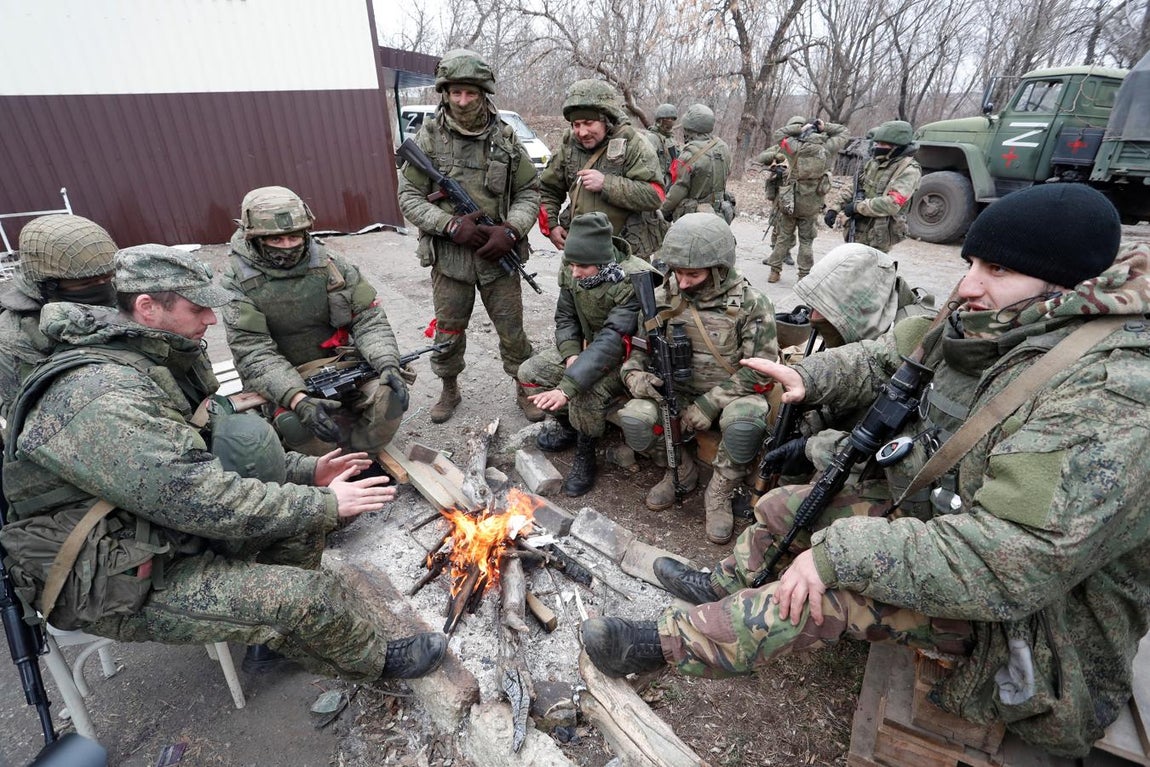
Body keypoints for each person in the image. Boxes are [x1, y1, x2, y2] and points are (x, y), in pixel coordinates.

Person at [582, 184, 1150, 760]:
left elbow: (1007, 560)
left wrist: (839, 555)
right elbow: (892, 355)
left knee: (828, 594)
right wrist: (815, 377)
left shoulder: (1107, 397)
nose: (969, 284)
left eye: (997, 269)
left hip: (1037, 627)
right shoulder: (1001, 322)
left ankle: (667, 645)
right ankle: (729, 583)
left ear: (1069, 282)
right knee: (786, 506)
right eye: (972, 263)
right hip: (945, 519)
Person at [0, 244, 446, 684]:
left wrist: (309, 473)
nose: (211, 320)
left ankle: (269, 640)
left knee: (302, 523)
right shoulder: (103, 395)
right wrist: (326, 503)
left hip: (150, 528)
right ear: (147, 307)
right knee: (307, 594)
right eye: (198, 309)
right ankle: (375, 662)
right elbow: (201, 498)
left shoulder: (153, 359)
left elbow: (212, 446)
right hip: (104, 575)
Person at [397, 49, 543, 425]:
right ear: (444, 92)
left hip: (498, 258)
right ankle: (449, 388)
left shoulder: (506, 139)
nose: (463, 101)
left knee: (513, 332)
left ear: (484, 94)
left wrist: (512, 229)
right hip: (451, 260)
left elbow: (529, 190)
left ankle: (525, 388)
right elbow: (408, 196)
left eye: (471, 94)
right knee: (448, 331)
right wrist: (448, 225)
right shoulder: (428, 139)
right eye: (456, 93)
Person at [617, 213, 779, 544]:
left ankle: (718, 492)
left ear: (719, 270)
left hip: (732, 394)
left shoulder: (751, 303)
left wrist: (710, 403)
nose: (683, 281)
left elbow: (761, 369)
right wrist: (635, 378)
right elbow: (636, 353)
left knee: (747, 423)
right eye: (677, 271)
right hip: (676, 392)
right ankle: (680, 470)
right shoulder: (660, 298)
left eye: (693, 273)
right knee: (635, 418)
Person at [221, 186, 408, 458]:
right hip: (287, 376)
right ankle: (321, 460)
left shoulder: (331, 265)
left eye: (294, 237)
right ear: (255, 238)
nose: (287, 246)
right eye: (276, 240)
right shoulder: (237, 282)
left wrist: (387, 363)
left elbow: (368, 318)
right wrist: (297, 398)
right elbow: (253, 352)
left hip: (342, 364)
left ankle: (363, 452)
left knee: (391, 394)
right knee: (296, 425)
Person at [518, 212, 660, 497]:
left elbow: (613, 340)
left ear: (603, 262)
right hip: (587, 351)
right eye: (571, 264)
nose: (574, 272)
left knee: (585, 392)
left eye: (582, 266)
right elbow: (566, 318)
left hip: (625, 358)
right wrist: (572, 355)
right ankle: (568, 426)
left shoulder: (633, 279)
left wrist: (569, 384)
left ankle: (586, 449)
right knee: (529, 373)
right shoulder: (573, 266)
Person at [0, 215, 117, 427]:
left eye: (108, 277)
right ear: (47, 284)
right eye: (88, 283)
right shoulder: (14, 337)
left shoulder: (117, 293)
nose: (103, 287)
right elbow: (31, 416)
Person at [539, 79, 666, 261]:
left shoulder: (633, 144)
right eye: (576, 125)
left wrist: (606, 184)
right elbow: (547, 189)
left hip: (626, 256)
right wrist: (551, 226)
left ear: (606, 119)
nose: (582, 132)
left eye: (588, 122)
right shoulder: (569, 146)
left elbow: (656, 195)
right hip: (579, 256)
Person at [757, 116, 849, 282]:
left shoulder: (793, 147)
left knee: (783, 237)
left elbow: (779, 135)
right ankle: (803, 275)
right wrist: (824, 126)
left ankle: (774, 272)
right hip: (813, 202)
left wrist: (799, 129)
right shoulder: (827, 148)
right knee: (807, 241)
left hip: (790, 199)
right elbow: (844, 132)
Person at [824, 120, 921, 253]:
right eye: (877, 143)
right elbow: (855, 186)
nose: (877, 146)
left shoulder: (909, 170)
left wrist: (857, 207)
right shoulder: (874, 163)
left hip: (879, 234)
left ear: (896, 146)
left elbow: (892, 203)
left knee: (869, 270)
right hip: (858, 227)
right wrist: (834, 208)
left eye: (882, 144)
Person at [660, 105, 734, 224]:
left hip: (694, 220)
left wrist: (662, 211)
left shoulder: (689, 154)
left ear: (689, 128)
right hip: (719, 215)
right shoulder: (723, 148)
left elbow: (679, 190)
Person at [644, 103, 679, 189]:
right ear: (659, 121)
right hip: (656, 185)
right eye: (667, 119)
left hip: (670, 184)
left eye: (672, 119)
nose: (670, 122)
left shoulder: (671, 139)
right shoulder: (651, 138)